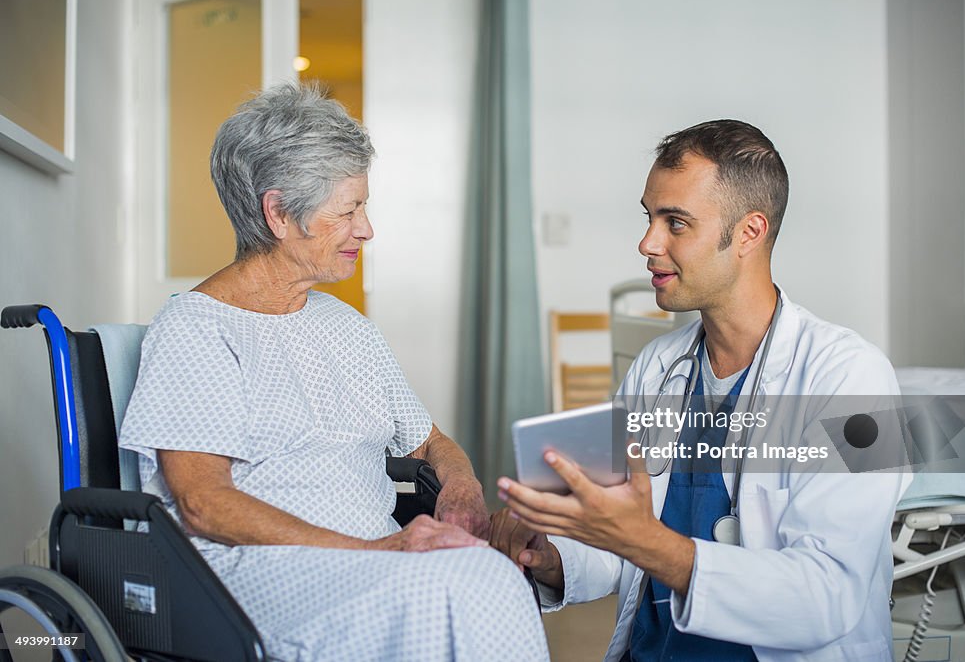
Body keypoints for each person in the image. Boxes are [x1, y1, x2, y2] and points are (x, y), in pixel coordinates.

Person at [119, 83, 548, 661]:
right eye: (348, 210)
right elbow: (204, 505)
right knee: (450, 591)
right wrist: (376, 552)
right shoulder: (198, 330)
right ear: (277, 213)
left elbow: (431, 442)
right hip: (255, 576)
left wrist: (462, 489)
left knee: (486, 577)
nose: (366, 229)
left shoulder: (345, 326)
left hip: (372, 557)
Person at [490, 120, 910, 661]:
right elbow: (620, 549)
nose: (647, 243)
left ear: (749, 233)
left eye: (676, 223)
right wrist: (554, 557)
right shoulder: (656, 368)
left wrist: (645, 541)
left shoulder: (853, 378)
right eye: (649, 217)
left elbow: (828, 595)